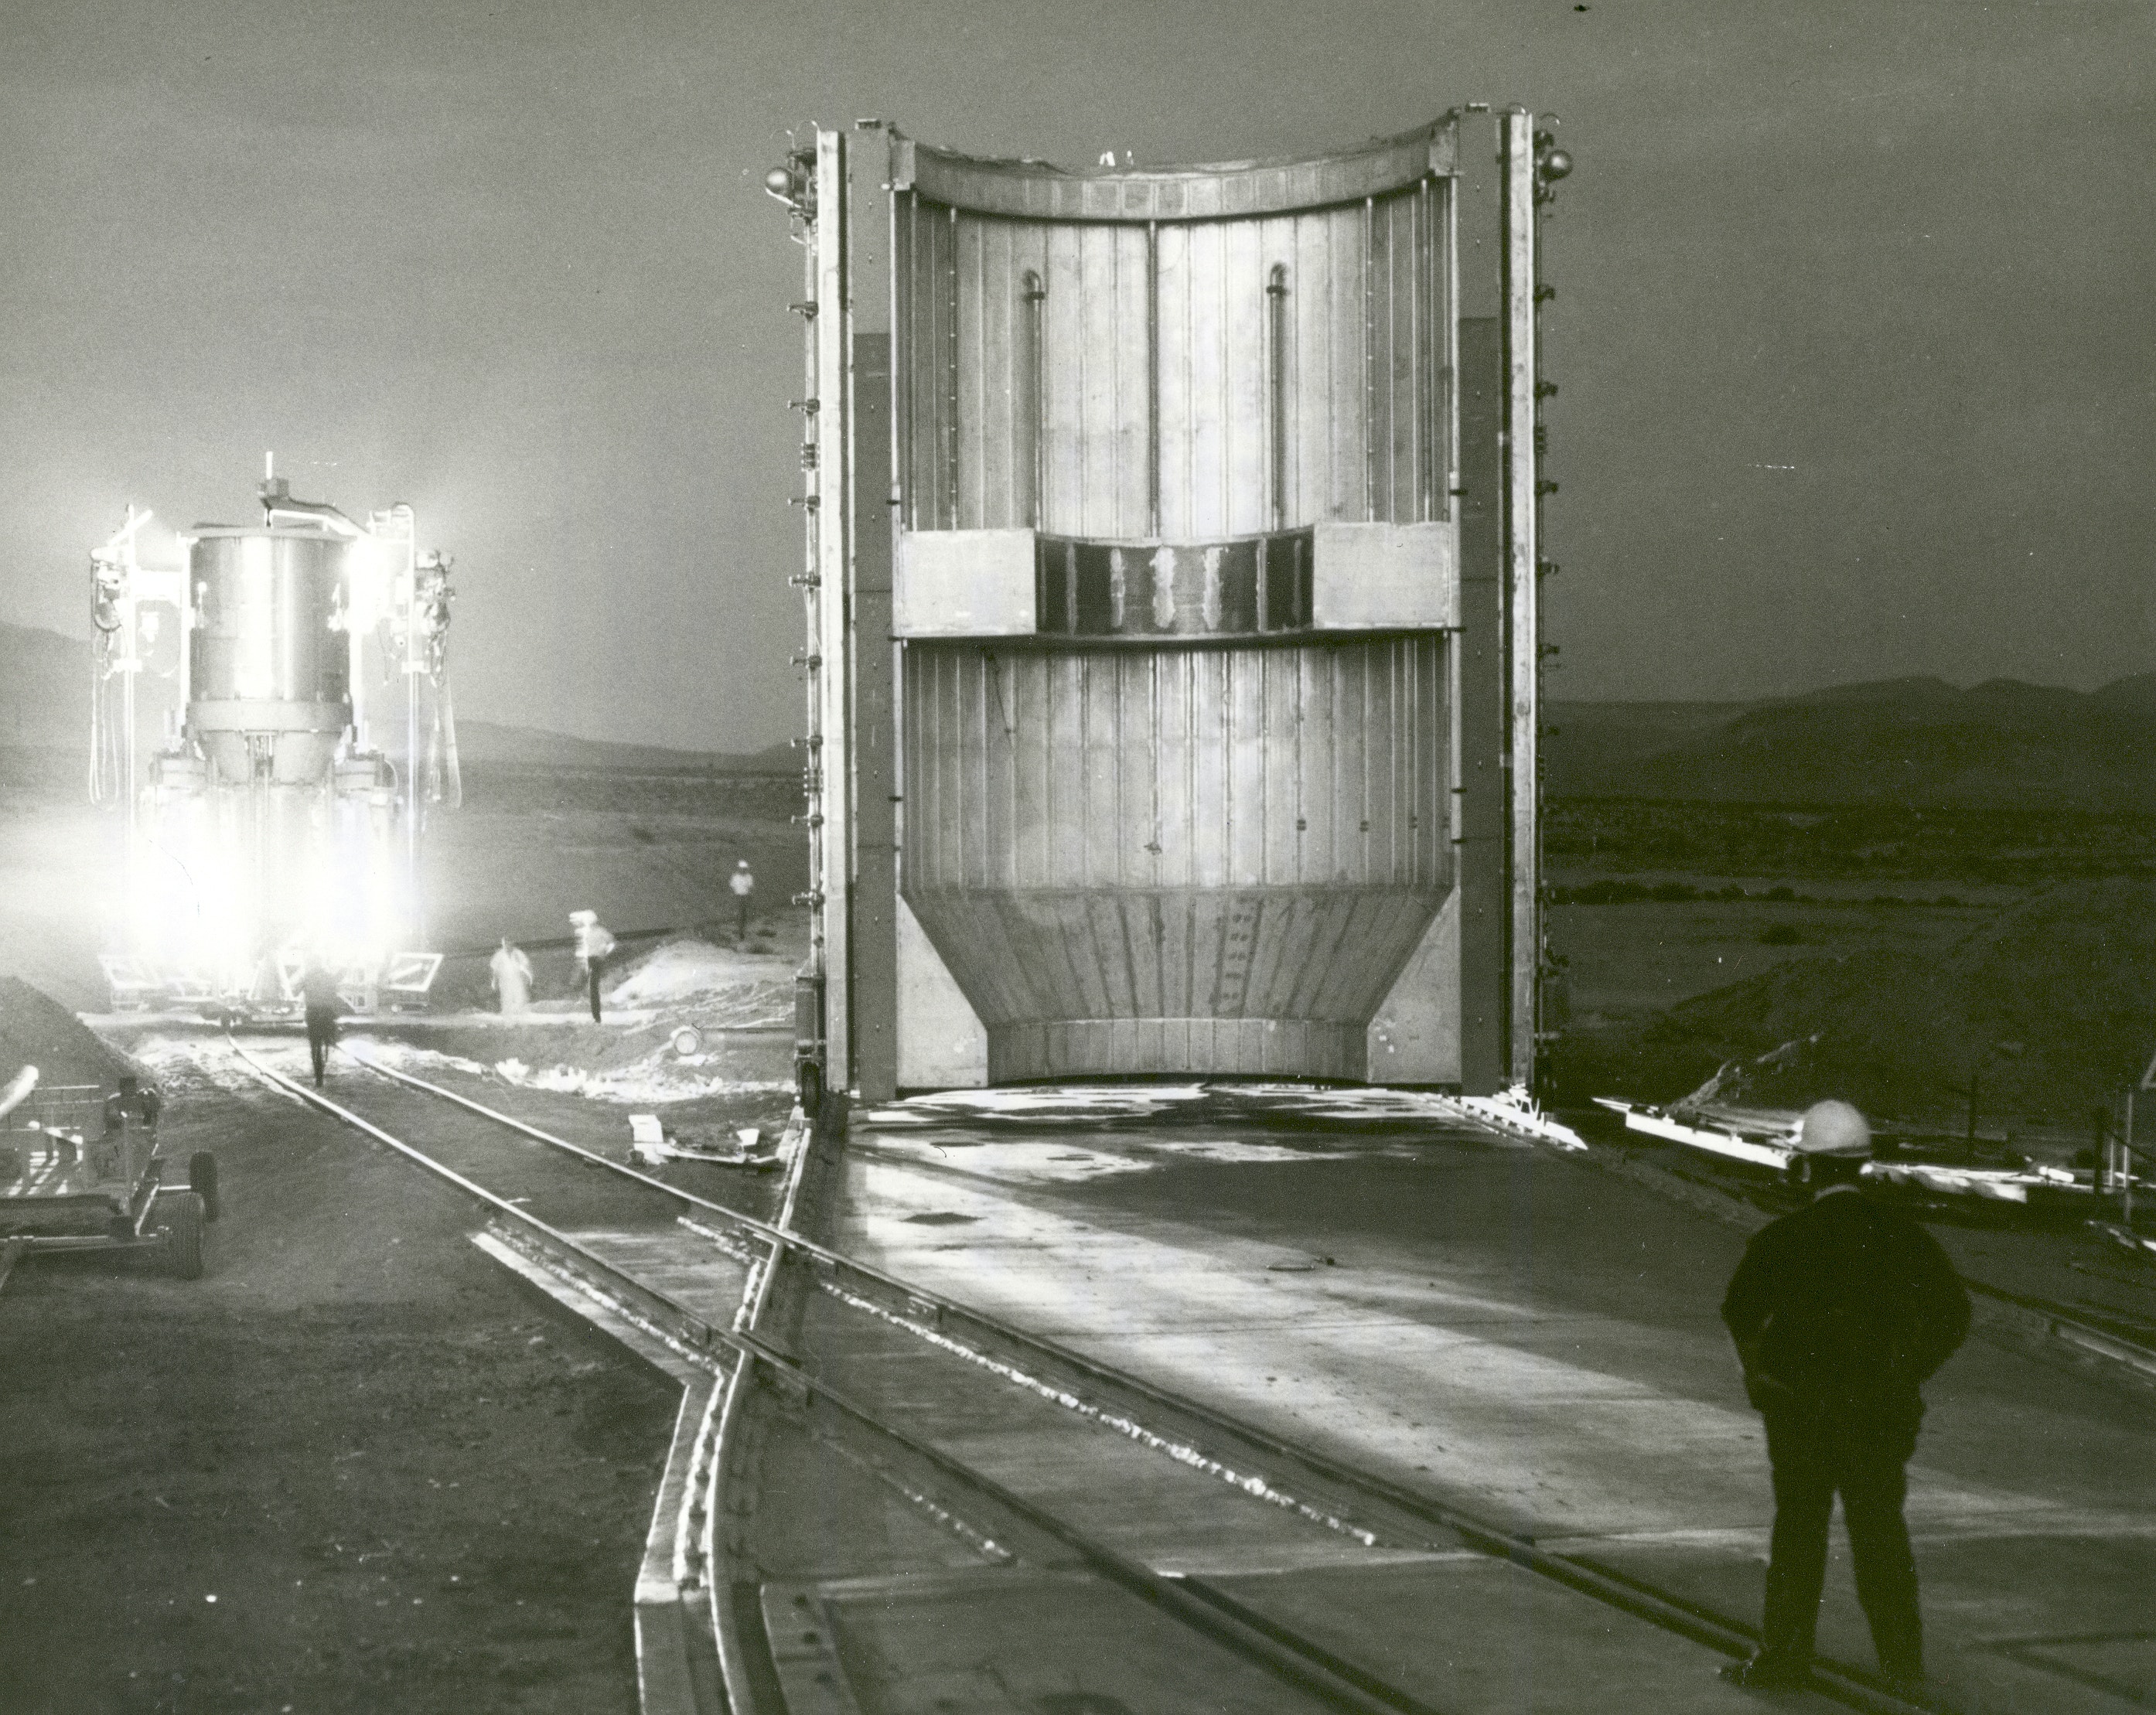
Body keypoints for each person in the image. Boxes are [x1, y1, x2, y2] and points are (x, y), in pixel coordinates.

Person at [1718, 1099, 1970, 1695]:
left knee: (1800, 1532)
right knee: (1881, 1531)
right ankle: (1902, 1666)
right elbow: (1952, 1316)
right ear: (1862, 1166)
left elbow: (1740, 1314)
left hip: (1800, 1412)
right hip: (1879, 1413)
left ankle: (1783, 1660)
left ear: (1806, 1169)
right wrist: (1905, 1371)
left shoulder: (1782, 1238)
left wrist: (1759, 1379)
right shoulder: (1906, 1239)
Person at [299, 960, 343, 1088]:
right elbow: (336, 988)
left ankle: (318, 1076)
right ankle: (332, 1038)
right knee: (329, 1034)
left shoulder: (306, 977)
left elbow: (296, 990)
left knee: (314, 1045)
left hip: (312, 1014)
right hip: (327, 1014)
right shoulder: (329, 977)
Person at [570, 909, 616, 1023]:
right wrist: (604, 952)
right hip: (593, 960)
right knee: (591, 987)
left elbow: (611, 943)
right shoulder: (595, 931)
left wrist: (603, 952)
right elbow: (611, 943)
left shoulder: (589, 932)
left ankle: (595, 1016)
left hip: (593, 960)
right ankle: (595, 1016)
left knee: (591, 987)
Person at [488, 936, 534, 1015]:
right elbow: (495, 971)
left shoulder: (518, 954)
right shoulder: (499, 955)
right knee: (507, 1000)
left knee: (520, 999)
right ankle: (508, 1019)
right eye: (506, 943)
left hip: (518, 981)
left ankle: (522, 1017)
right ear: (503, 944)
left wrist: (529, 977)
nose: (508, 945)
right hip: (505, 982)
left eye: (510, 943)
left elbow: (525, 967)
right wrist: (494, 982)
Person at [729, 859, 756, 944]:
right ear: (739, 868)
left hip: (746, 897)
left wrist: (750, 897)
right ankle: (740, 932)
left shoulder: (749, 877)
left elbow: (751, 888)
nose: (743, 870)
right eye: (741, 868)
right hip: (738, 896)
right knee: (739, 914)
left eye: (744, 869)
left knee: (744, 915)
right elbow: (732, 887)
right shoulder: (735, 877)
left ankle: (742, 931)